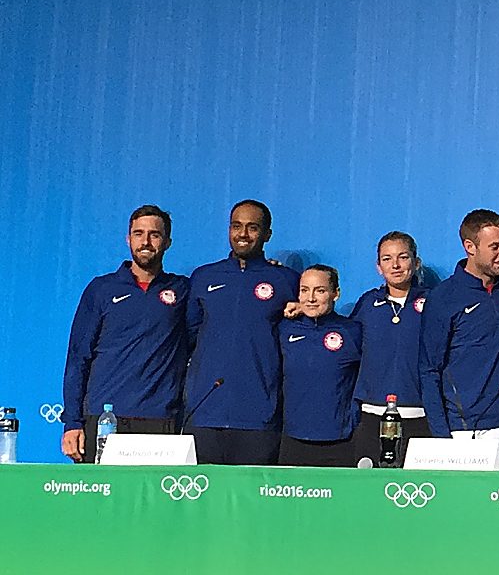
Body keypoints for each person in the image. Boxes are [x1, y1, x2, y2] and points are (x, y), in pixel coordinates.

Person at [61, 205, 190, 463]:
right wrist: (72, 423)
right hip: (105, 420)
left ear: (167, 242)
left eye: (154, 235)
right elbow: (78, 359)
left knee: (155, 503)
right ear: (128, 239)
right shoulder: (101, 289)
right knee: (100, 503)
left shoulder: (183, 290)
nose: (146, 241)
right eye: (138, 233)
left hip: (160, 421)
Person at [185, 200, 300, 465]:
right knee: (203, 502)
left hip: (259, 416)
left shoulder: (287, 280)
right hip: (205, 414)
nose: (243, 234)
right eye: (236, 226)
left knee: (254, 504)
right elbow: (188, 338)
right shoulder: (203, 277)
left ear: (267, 234)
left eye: (252, 227)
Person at [419, 209, 499, 470]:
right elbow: (429, 370)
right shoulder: (444, 297)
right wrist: (441, 436)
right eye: (495, 246)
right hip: (470, 430)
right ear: (470, 247)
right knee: (475, 511)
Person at [346, 232, 432, 466]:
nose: (395, 265)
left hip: (419, 415)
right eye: (387, 259)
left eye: (402, 257)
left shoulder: (434, 302)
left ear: (416, 263)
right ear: (378, 267)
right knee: (368, 493)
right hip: (372, 414)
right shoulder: (367, 304)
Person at [277, 265, 362, 467]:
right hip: (293, 440)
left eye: (320, 290)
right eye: (304, 290)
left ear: (336, 294)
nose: (311, 298)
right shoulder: (285, 328)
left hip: (340, 442)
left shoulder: (353, 332)